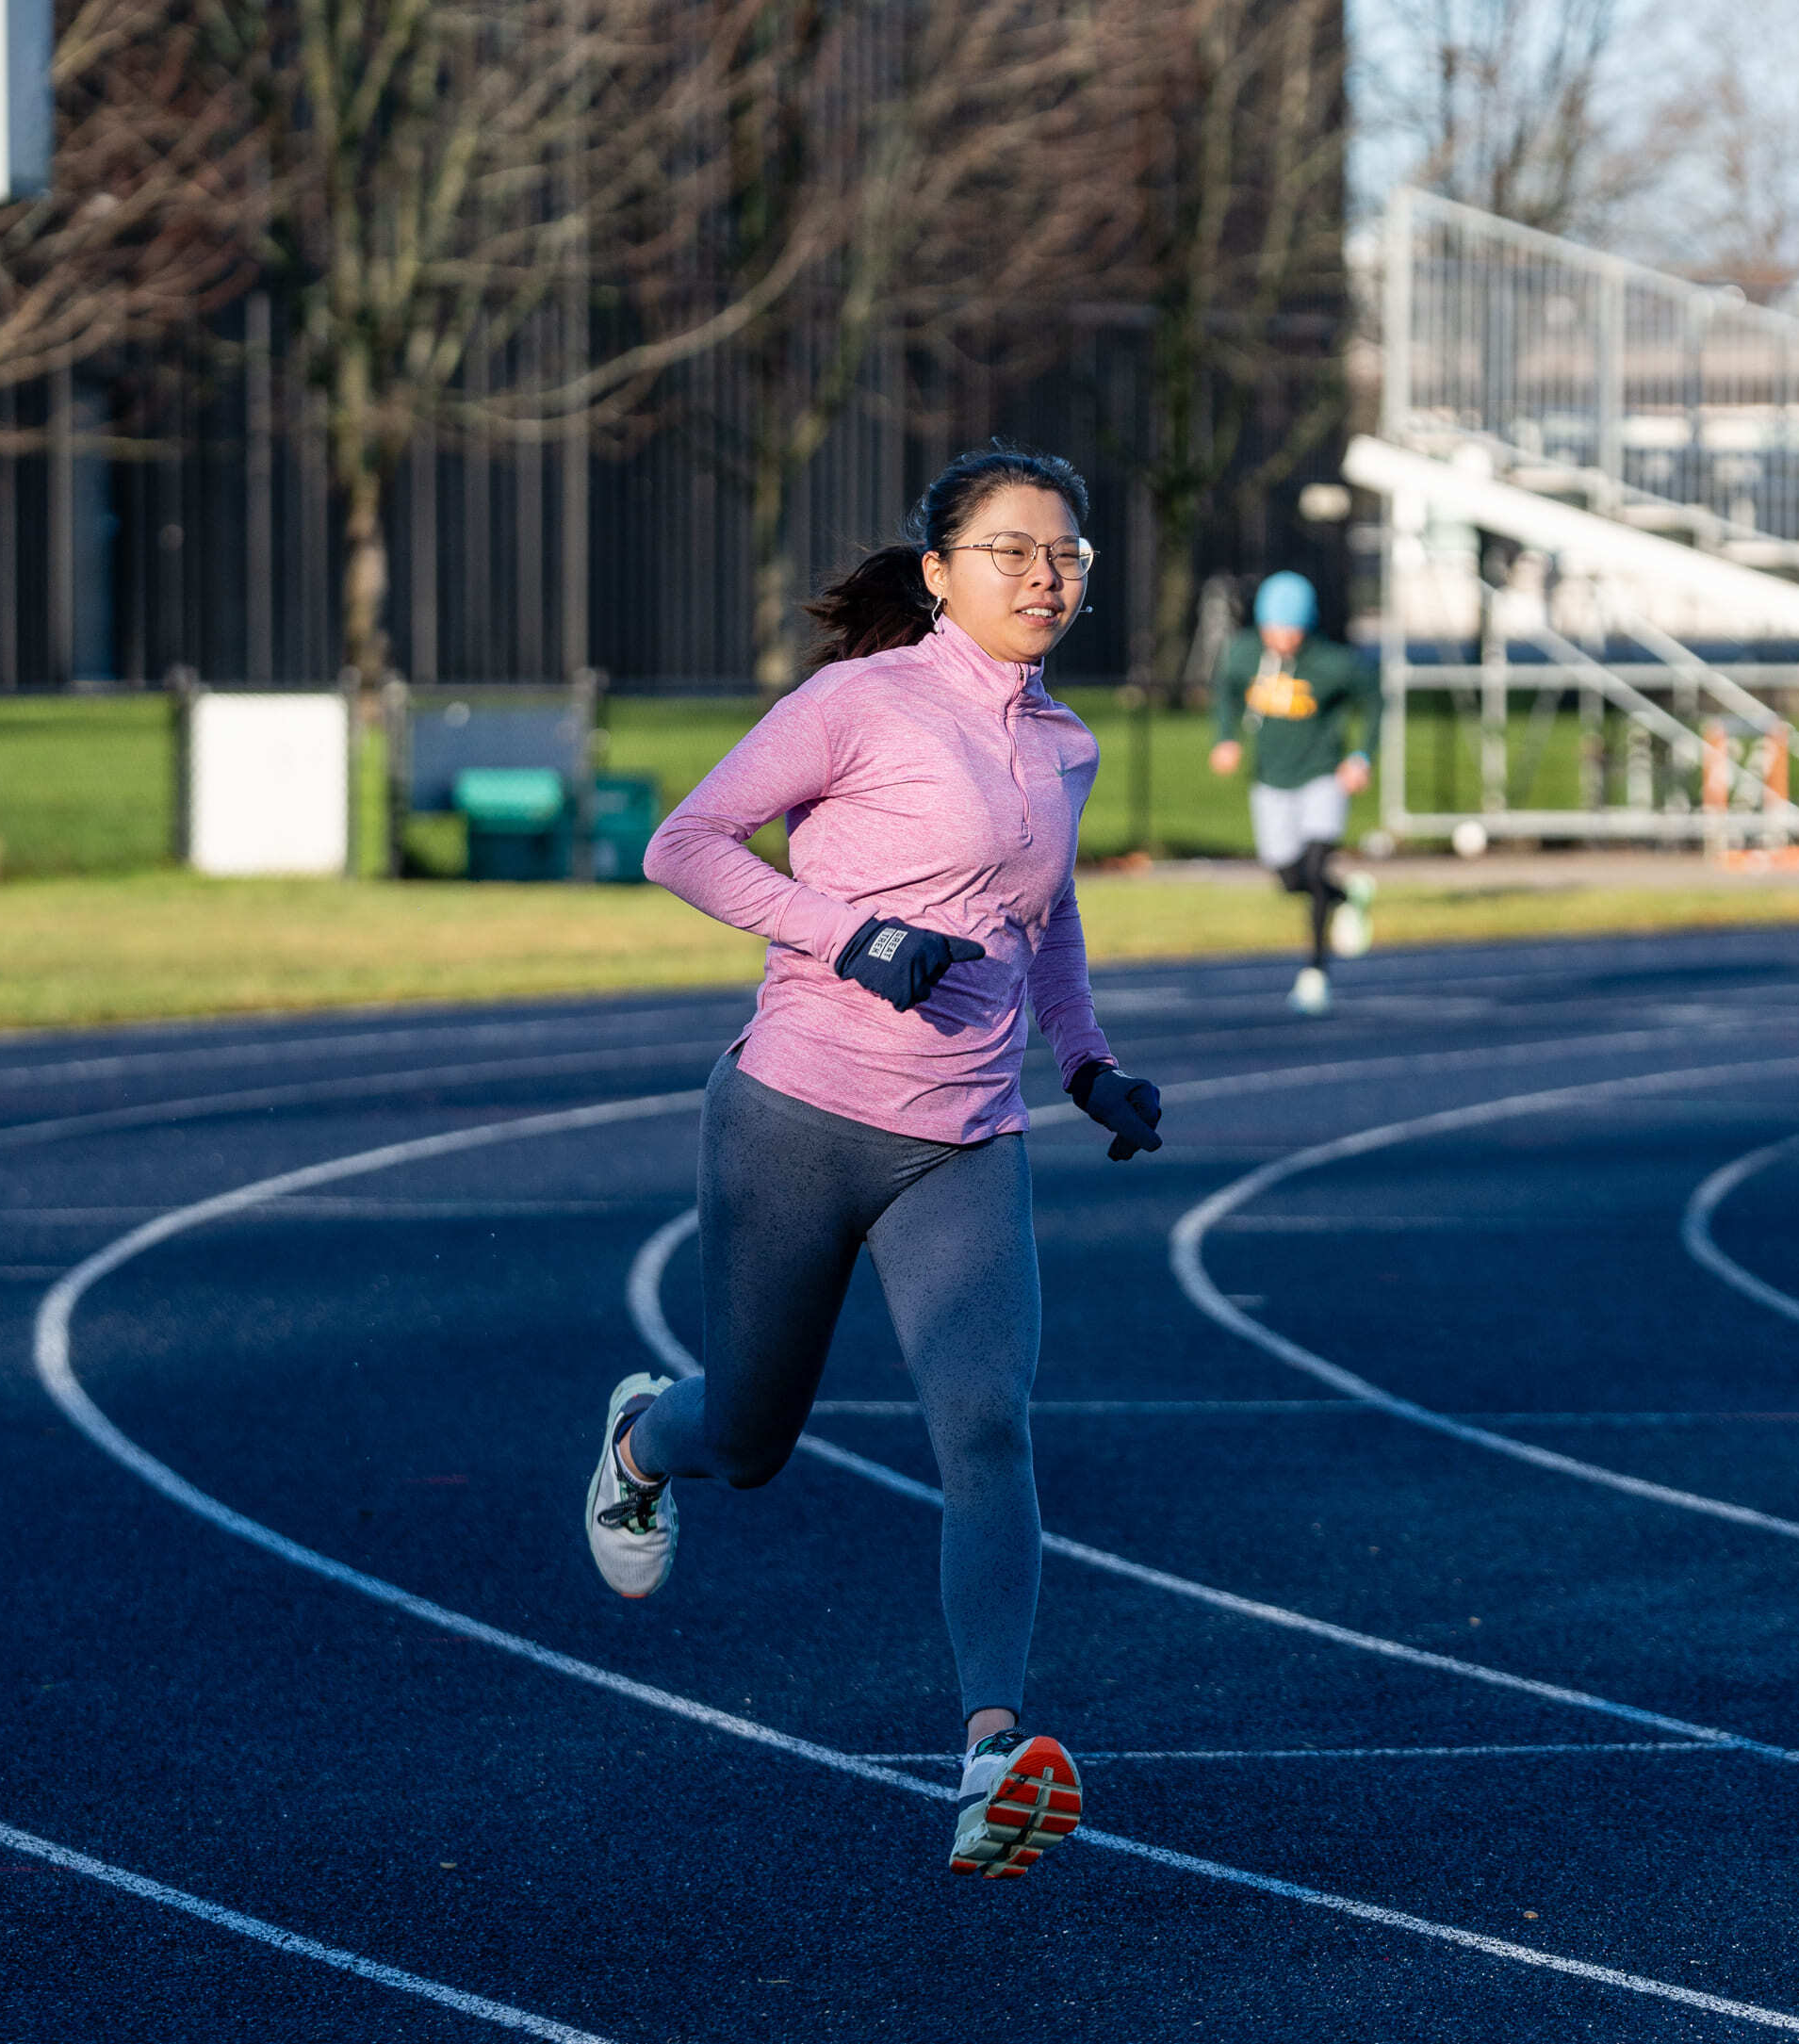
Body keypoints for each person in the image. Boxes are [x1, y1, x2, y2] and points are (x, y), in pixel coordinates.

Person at [584, 442, 1167, 1879]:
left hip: (964, 1141)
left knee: (985, 1424)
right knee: (752, 1441)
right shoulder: (860, 702)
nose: (1046, 577)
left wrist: (1085, 1060)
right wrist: (848, 933)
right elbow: (684, 842)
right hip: (795, 1118)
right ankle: (643, 1437)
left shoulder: (1066, 745)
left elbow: (1049, 920)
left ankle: (988, 1755)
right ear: (938, 573)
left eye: (1066, 557)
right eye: (1013, 553)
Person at [1207, 571, 1382, 1015]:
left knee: (1316, 861)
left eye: (1291, 629)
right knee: (1289, 876)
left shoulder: (1332, 663)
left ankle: (1315, 973)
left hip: (1322, 775)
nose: (1282, 639)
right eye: (1274, 629)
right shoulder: (1244, 654)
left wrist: (1360, 756)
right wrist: (1226, 737)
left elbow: (1374, 698)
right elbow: (1224, 690)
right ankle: (1346, 894)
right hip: (1271, 781)